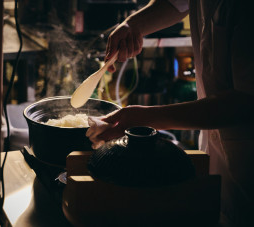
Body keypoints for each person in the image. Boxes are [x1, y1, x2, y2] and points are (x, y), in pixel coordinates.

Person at [86, 0, 254, 226]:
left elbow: (245, 102)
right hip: (217, 160)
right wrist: (132, 24)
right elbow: (176, 3)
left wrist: (144, 118)